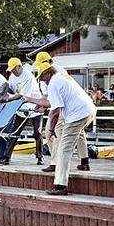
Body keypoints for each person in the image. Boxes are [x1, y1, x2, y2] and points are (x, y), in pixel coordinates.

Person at [24, 62, 97, 195]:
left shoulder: (53, 84)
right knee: (78, 135)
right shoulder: (61, 76)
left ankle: (60, 186)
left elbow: (55, 111)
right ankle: (84, 162)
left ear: (48, 73)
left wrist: (51, 130)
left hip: (77, 114)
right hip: (88, 110)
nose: (41, 80)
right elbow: (50, 103)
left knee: (64, 149)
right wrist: (33, 101)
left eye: (42, 77)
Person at [35, 52, 90, 172]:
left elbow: (51, 99)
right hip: (75, 108)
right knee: (79, 132)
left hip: (60, 108)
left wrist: (41, 105)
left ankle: (55, 162)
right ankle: (84, 160)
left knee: (52, 132)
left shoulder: (52, 76)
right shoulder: (60, 70)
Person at [0, 58, 44, 165]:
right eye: (12, 70)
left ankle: (40, 156)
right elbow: (11, 89)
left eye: (14, 69)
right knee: (14, 132)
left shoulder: (28, 76)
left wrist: (7, 99)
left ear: (19, 66)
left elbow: (21, 95)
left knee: (37, 133)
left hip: (34, 107)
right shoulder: (12, 76)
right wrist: (1, 92)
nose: (13, 71)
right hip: (21, 108)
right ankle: (7, 157)